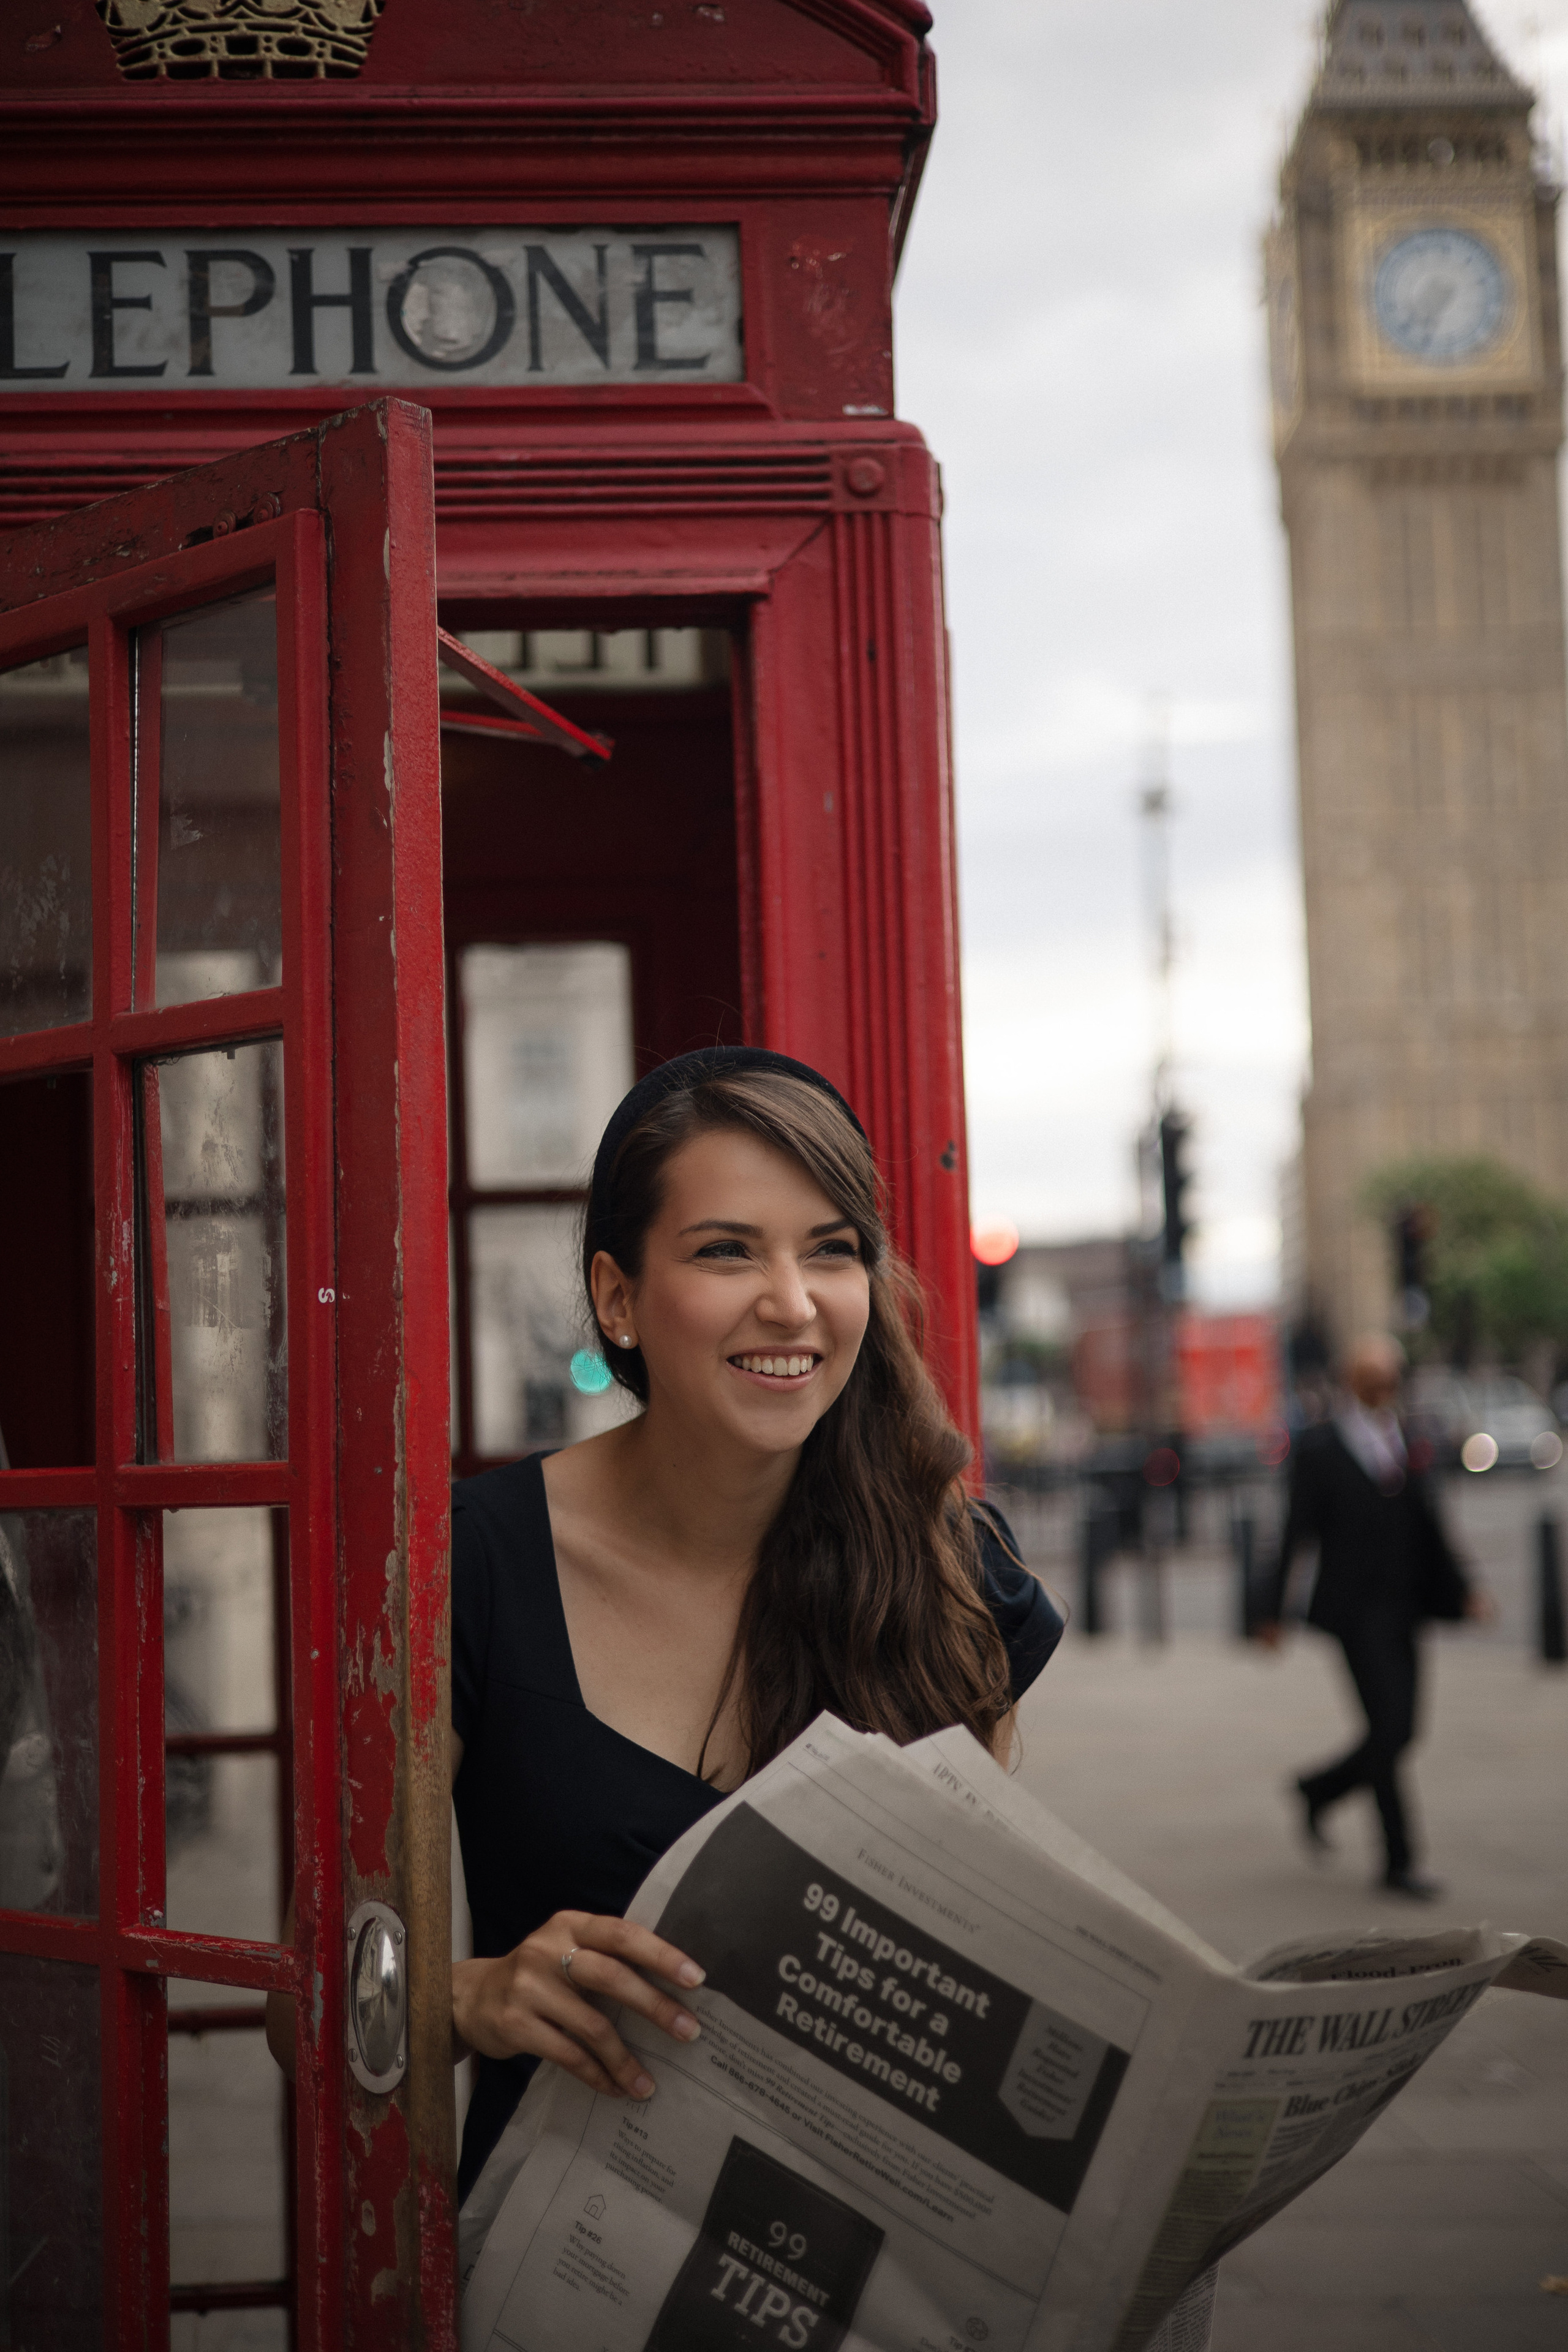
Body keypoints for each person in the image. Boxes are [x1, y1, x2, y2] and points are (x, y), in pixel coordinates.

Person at [268, 1047, 1065, 2206]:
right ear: (617, 1297)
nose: (791, 1302)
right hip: (568, 2266)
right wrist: (474, 1997)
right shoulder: (468, 1567)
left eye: (831, 1250)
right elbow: (303, 2011)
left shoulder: (951, 1572)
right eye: (726, 1249)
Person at [1257, 1331, 1488, 1899]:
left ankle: (1320, 1788)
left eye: (1392, 1376)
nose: (1385, 1386)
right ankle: (1399, 1861)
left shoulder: (1406, 1439)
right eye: (1373, 1377)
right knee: (1388, 1730)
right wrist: (1271, 1611)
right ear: (1350, 1382)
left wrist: (1464, 1590)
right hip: (1354, 1612)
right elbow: (1294, 1534)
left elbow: (1429, 1525)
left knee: (1405, 1731)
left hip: (1406, 1604)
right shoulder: (1318, 1448)